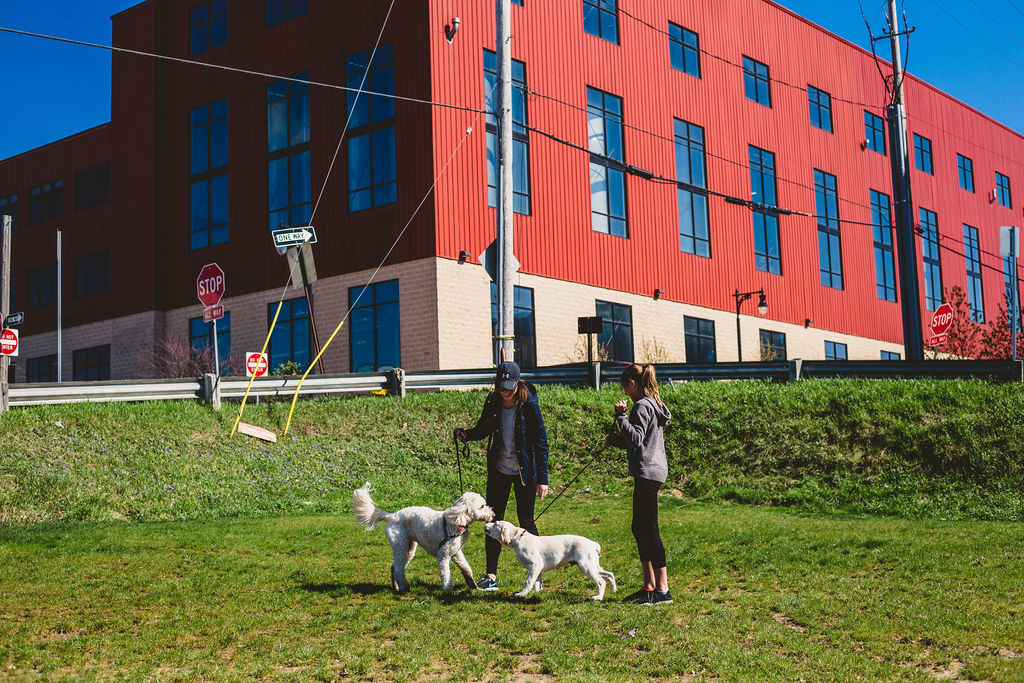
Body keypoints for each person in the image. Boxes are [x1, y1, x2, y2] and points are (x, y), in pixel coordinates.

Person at [454, 361, 549, 591]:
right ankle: (491, 576)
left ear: (518, 383)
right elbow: (484, 428)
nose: (505, 392)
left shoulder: (529, 403)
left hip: (525, 472)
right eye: (501, 388)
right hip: (499, 470)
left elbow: (541, 441)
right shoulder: (493, 401)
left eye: (509, 388)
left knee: (526, 521)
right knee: (493, 522)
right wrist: (466, 435)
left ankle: (537, 575)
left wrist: (543, 478)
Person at [605, 363, 672, 606]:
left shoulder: (642, 405)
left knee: (649, 529)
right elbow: (639, 440)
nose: (625, 393)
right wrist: (616, 440)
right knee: (639, 527)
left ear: (632, 384)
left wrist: (620, 416)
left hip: (648, 471)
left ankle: (661, 590)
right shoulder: (652, 403)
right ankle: (649, 586)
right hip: (651, 470)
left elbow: (635, 437)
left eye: (625, 388)